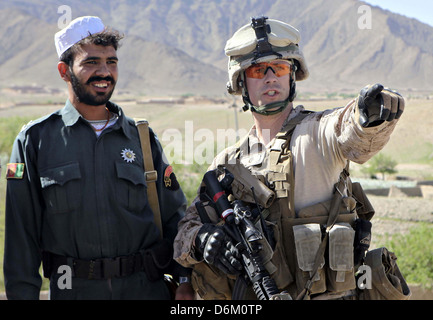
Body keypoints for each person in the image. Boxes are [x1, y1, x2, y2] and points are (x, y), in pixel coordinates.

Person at [173, 16, 404, 300]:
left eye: (280, 67)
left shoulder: (318, 133)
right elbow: (185, 231)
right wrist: (202, 240)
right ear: (241, 83)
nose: (271, 76)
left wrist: (370, 115)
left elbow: (351, 130)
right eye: (258, 71)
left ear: (292, 76)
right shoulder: (226, 164)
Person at [3, 16, 194, 300]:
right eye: (91, 62)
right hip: (74, 291)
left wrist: (183, 281)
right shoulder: (35, 141)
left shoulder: (141, 138)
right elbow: (22, 238)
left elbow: (175, 218)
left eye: (111, 62)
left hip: (144, 291)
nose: (104, 72)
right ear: (64, 71)